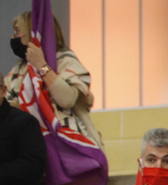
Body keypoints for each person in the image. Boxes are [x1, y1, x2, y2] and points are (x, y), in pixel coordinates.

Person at [4, 10, 102, 152]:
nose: (13, 36)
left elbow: (67, 99)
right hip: (35, 147)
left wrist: (42, 66)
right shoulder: (18, 69)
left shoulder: (64, 60)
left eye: (17, 31)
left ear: (34, 32)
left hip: (71, 147)